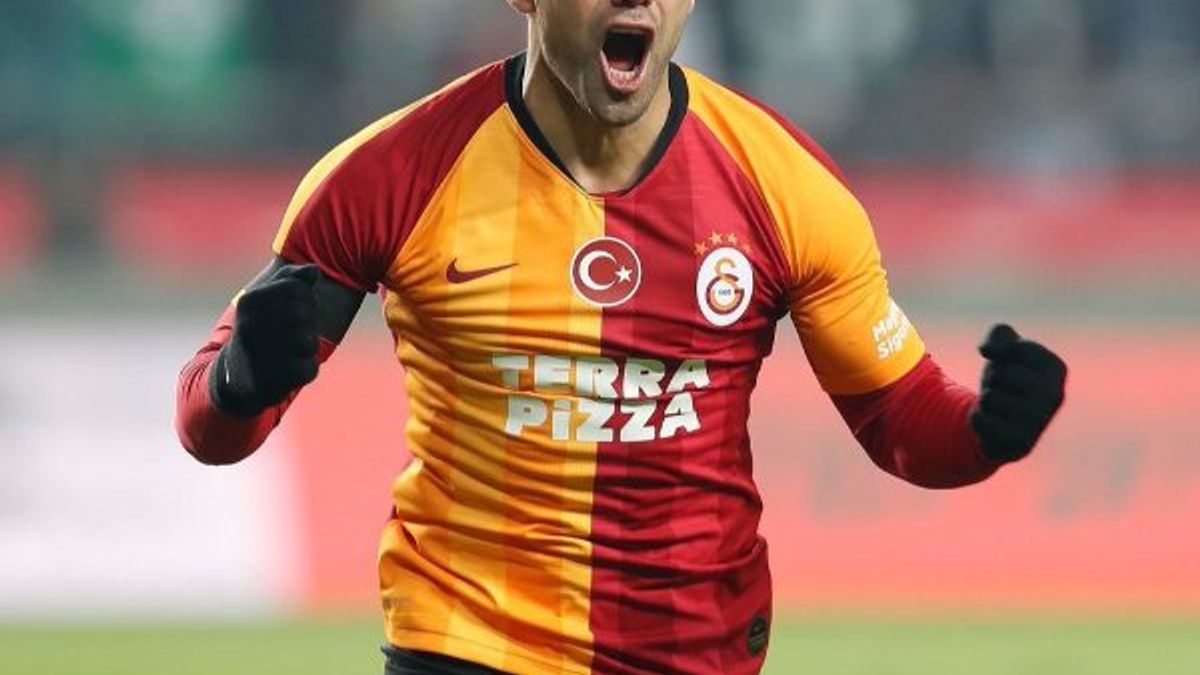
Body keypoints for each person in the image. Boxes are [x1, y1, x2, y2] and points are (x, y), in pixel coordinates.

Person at [175, 1, 1067, 674]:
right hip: (465, 640)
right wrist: (244, 378)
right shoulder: (391, 175)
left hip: (698, 648)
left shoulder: (785, 187)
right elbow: (206, 423)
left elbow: (903, 422)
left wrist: (986, 430)